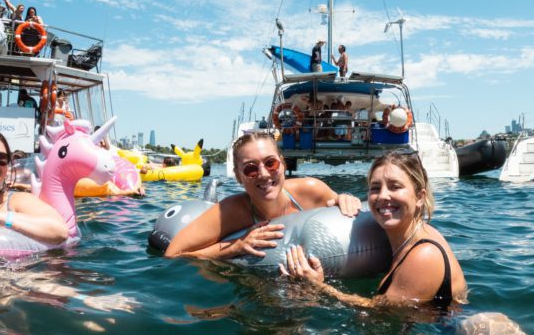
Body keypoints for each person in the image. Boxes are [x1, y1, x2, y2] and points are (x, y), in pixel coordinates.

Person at [281, 151, 467, 308]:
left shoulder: (424, 254)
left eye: (395, 187)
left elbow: (379, 312)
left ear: (419, 196)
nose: (383, 196)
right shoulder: (411, 237)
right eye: (375, 188)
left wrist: (319, 286)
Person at [165, 132, 361, 259]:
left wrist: (346, 199)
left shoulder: (312, 191)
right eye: (250, 169)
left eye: (271, 163)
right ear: (239, 177)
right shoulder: (230, 211)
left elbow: (343, 209)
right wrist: (236, 246)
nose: (264, 174)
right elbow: (173, 254)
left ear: (283, 164)